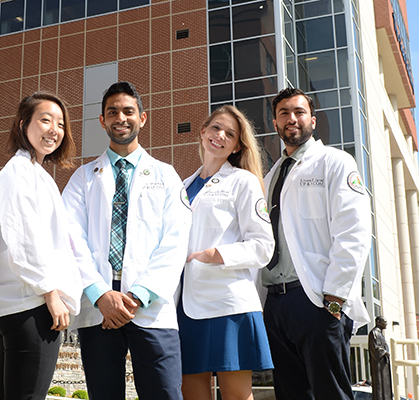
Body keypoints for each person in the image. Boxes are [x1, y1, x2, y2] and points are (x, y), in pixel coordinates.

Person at [62, 81, 192, 400]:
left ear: (142, 118)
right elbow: (68, 238)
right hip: (98, 308)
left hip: (150, 306)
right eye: (113, 112)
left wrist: (136, 296)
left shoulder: (165, 175)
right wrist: (100, 294)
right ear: (102, 121)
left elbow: (175, 242)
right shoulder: (83, 178)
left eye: (128, 111)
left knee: (164, 393)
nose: (121, 117)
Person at [261, 87, 371, 400]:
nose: (291, 118)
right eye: (284, 113)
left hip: (316, 299)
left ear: (313, 119)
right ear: (274, 123)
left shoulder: (335, 163)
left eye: (298, 112)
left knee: (330, 393)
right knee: (291, 393)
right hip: (276, 304)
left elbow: (354, 230)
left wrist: (334, 299)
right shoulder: (269, 178)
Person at [0, 92, 82, 400]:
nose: (54, 129)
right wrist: (51, 292)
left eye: (60, 123)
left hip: (28, 303)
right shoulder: (18, 173)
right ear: (24, 124)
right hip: (33, 304)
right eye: (45, 120)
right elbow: (24, 238)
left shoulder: (36, 173)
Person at [179, 105, 274, 400]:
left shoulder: (243, 182)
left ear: (236, 146)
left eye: (230, 134)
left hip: (229, 304)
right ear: (203, 131)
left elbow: (263, 246)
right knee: (191, 394)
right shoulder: (181, 186)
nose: (220, 135)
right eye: (216, 128)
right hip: (186, 306)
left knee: (235, 397)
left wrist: (216, 254)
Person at [369, 316, 393, 400]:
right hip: (378, 364)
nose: (386, 323)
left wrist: (386, 350)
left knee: (385, 384)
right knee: (380, 384)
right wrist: (384, 352)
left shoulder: (380, 334)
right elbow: (375, 348)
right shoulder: (374, 333)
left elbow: (385, 346)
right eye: (384, 321)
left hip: (383, 363)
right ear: (378, 322)